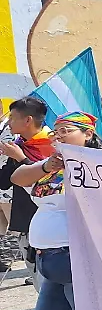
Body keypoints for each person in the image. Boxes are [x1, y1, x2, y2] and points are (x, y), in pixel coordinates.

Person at [12, 112, 102, 310]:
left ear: (88, 135)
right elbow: (17, 178)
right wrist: (46, 164)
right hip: (49, 260)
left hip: (76, 258)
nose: (58, 136)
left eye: (66, 131)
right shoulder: (52, 169)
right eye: (56, 132)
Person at [0, 97, 54, 288]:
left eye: (13, 118)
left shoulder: (52, 144)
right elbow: (4, 182)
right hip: (26, 220)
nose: (8, 122)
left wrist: (22, 159)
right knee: (37, 276)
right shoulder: (19, 144)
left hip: (50, 220)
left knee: (53, 278)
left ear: (28, 120)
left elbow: (48, 183)